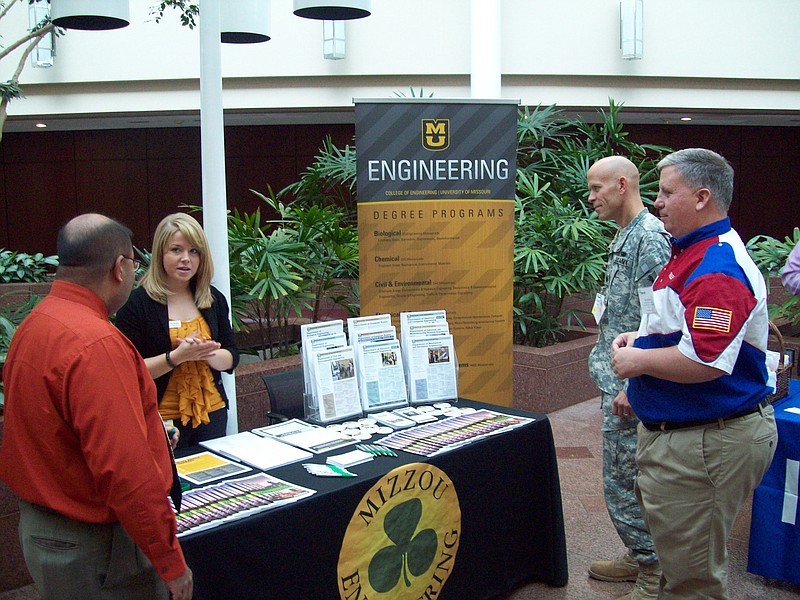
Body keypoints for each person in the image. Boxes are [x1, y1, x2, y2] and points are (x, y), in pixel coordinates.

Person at [611, 148, 778, 599]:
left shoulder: (717, 269)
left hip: (707, 441)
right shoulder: (690, 251)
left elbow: (703, 361)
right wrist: (640, 340)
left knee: (693, 580)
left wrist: (638, 362)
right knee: (680, 561)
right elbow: (680, 330)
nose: (657, 201)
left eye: (667, 192)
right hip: (686, 434)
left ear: (702, 197)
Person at [0, 214, 192, 600]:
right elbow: (126, 472)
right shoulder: (96, 344)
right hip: (94, 548)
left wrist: (152, 433)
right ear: (119, 268)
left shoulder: (33, 325)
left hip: (44, 532)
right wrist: (171, 563)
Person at [585, 156, 670, 600]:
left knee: (622, 483)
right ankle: (640, 553)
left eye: (598, 188)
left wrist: (633, 385)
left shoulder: (651, 240)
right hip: (616, 376)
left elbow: (660, 322)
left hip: (630, 386)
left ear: (622, 185)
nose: (591, 197)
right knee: (623, 480)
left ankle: (653, 568)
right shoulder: (626, 235)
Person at [116, 212, 239, 449]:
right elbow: (130, 371)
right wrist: (177, 357)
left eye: (194, 251)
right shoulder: (136, 304)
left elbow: (232, 355)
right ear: (160, 253)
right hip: (163, 422)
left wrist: (206, 352)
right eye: (176, 250)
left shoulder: (213, 300)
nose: (186, 259)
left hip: (212, 413)